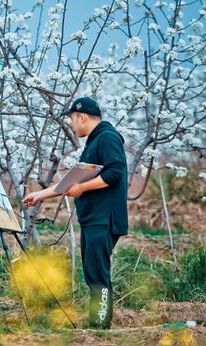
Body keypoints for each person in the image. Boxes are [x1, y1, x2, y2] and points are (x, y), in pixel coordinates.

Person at [22, 96, 128, 329]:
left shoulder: (107, 138)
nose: (72, 124)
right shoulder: (95, 142)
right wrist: (40, 195)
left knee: (98, 274)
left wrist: (82, 188)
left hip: (104, 219)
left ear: (81, 117)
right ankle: (97, 323)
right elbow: (71, 182)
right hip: (93, 219)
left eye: (72, 119)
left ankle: (100, 327)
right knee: (93, 272)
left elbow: (115, 173)